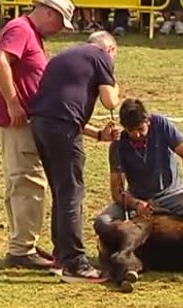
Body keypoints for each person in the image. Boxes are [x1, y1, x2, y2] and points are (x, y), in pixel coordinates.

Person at [0, 0, 75, 270]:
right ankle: (22, 248)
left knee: (21, 180)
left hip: (24, 119)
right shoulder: (20, 29)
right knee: (28, 180)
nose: (59, 30)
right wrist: (13, 102)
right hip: (19, 121)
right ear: (50, 13)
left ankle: (23, 240)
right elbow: (0, 62)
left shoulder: (28, 33)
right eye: (60, 23)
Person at [29, 30, 121, 283]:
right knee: (71, 193)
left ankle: (62, 255)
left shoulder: (67, 56)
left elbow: (63, 108)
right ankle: (75, 262)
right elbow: (110, 101)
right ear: (110, 50)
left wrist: (98, 135)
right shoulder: (100, 55)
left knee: (62, 191)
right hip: (61, 128)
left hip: (41, 124)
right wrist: (115, 84)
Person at [93, 98, 183, 236]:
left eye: (141, 129)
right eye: (131, 131)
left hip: (170, 195)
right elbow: (117, 191)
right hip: (138, 200)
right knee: (103, 222)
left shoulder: (161, 124)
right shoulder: (118, 145)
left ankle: (157, 231)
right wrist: (136, 204)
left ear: (148, 121)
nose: (137, 134)